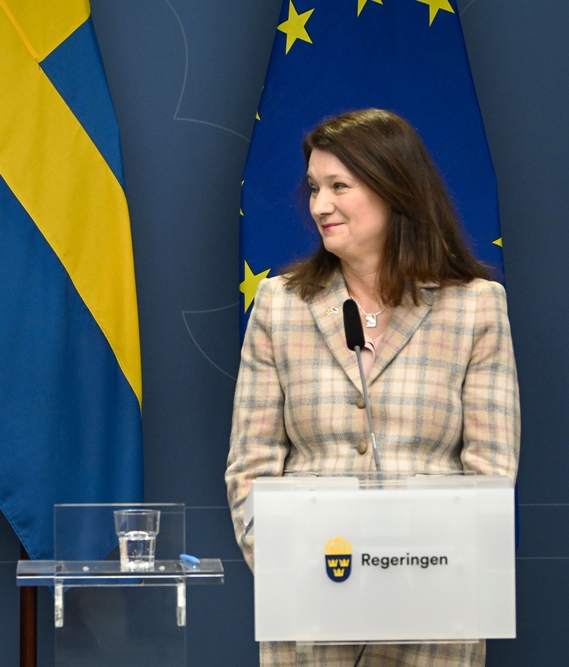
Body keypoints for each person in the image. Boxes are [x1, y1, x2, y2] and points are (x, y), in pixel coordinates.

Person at [225, 108, 520, 666]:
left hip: (434, 616)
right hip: (311, 621)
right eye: (314, 187)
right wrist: (298, 573)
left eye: (340, 186)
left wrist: (413, 572)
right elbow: (250, 467)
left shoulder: (476, 305)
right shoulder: (280, 304)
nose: (320, 205)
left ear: (394, 189)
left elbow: (492, 471)